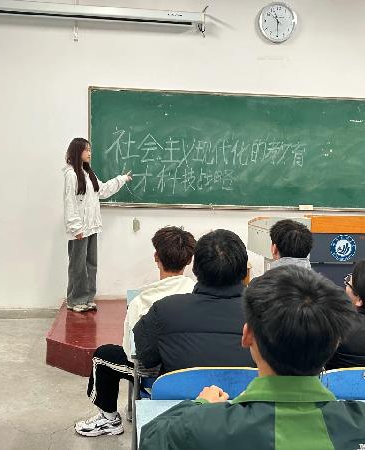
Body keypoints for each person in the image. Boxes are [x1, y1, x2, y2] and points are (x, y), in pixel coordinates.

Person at [140, 265, 365, 450]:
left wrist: (200, 405)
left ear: (247, 335)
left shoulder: (202, 426)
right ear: (336, 342)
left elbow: (151, 438)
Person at [74, 226, 196, 437]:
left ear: (156, 257)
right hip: (194, 372)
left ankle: (109, 419)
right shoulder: (197, 292)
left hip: (156, 377)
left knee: (102, 355)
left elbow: (132, 353)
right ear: (189, 260)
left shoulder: (141, 301)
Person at [133, 229, 254, 375]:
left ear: (195, 268)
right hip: (248, 390)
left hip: (181, 390)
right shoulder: (266, 314)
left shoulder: (164, 310)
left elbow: (144, 358)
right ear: (244, 270)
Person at [63, 137, 131, 312]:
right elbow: (70, 203)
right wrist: (75, 227)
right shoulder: (71, 174)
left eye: (90, 150)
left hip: (92, 226)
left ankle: (87, 298)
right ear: (77, 151)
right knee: (78, 266)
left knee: (91, 264)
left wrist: (121, 179)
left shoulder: (88, 173)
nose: (90, 153)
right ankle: (75, 300)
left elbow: (103, 190)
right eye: (86, 150)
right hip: (79, 229)